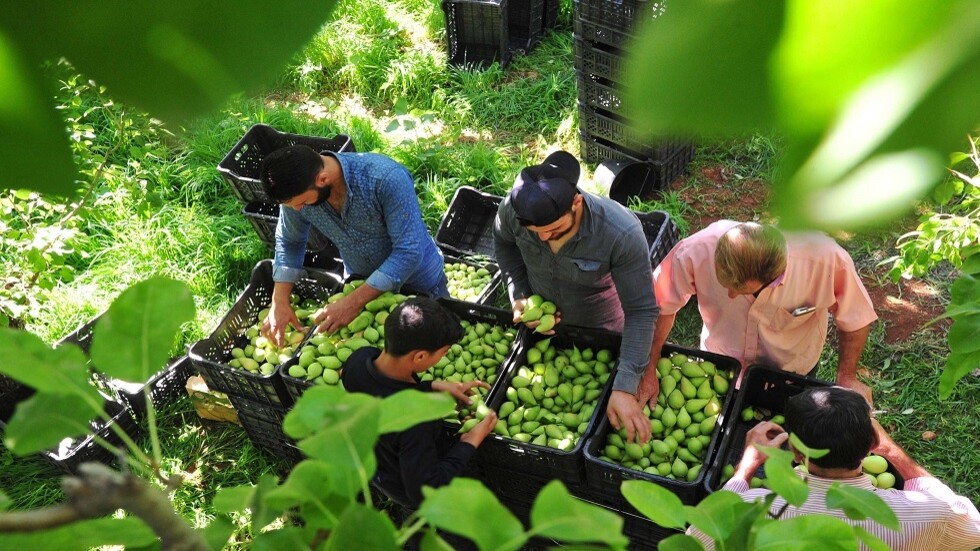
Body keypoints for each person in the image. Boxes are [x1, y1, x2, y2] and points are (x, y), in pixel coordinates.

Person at [493, 150, 660, 443]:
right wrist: (519, 294)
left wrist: (624, 385)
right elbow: (503, 242)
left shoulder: (620, 233)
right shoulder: (512, 210)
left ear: (576, 202)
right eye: (536, 233)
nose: (545, 239)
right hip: (543, 331)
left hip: (603, 328)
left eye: (555, 230)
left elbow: (642, 311)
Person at [689, 386, 980, 550]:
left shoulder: (745, 511)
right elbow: (973, 531)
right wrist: (893, 451)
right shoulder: (926, 515)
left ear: (795, 452)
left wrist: (744, 471)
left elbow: (695, 541)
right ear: (870, 445)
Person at [647, 220, 877, 403]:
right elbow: (660, 305)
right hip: (720, 360)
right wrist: (649, 364)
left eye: (739, 289)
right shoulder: (697, 250)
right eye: (724, 284)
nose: (730, 296)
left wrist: (847, 376)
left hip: (792, 369)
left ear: (774, 276)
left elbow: (855, 318)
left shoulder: (826, 262)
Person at [258, 145, 448, 345]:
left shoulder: (385, 179)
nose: (297, 209)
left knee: (434, 341)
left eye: (302, 203)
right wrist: (279, 300)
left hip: (420, 282)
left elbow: (409, 251)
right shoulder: (299, 192)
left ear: (323, 180)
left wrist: (353, 302)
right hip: (360, 281)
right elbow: (290, 241)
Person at [340, 297, 498, 510]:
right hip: (404, 486)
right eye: (444, 352)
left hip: (379, 465)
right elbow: (423, 491)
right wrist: (468, 442)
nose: (445, 357)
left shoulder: (359, 359)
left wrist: (430, 386)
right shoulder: (416, 420)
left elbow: (383, 390)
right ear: (421, 356)